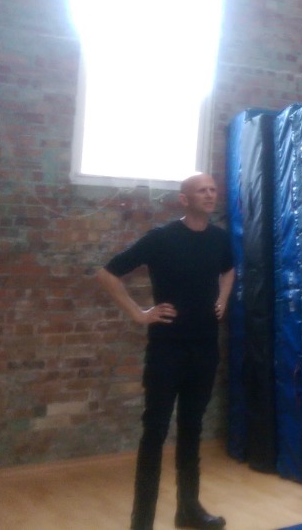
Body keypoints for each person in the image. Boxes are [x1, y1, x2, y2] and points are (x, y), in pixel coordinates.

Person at [97, 173, 234, 530]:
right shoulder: (161, 239)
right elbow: (108, 274)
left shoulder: (220, 239)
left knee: (191, 429)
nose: (210, 194)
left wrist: (222, 297)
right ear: (184, 199)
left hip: (204, 350)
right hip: (167, 351)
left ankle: (188, 510)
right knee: (155, 432)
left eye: (213, 189)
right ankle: (141, 521)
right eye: (202, 190)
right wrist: (139, 314)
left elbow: (229, 269)